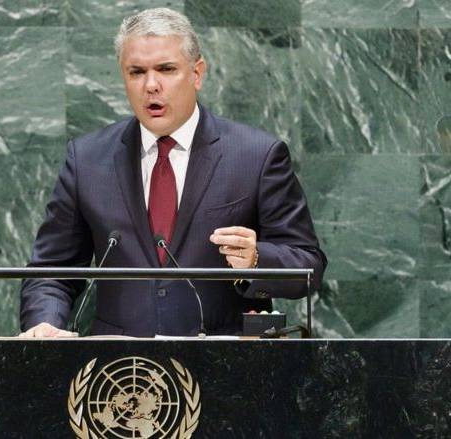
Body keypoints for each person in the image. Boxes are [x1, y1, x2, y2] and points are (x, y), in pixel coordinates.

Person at [19, 8, 327, 338]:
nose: (151, 85)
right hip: (121, 364)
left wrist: (255, 260)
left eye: (166, 69)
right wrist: (44, 324)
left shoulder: (256, 156)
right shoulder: (87, 160)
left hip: (225, 359)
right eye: (137, 72)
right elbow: (51, 271)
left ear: (197, 73)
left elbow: (307, 265)